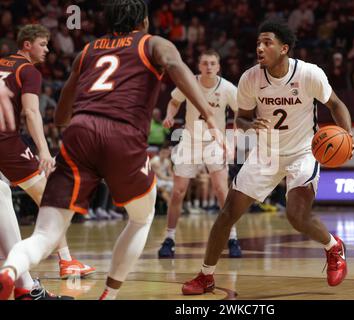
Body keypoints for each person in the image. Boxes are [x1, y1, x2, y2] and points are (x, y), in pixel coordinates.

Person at [0, 0, 221, 301]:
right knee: (141, 218)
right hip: (122, 134)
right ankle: (109, 296)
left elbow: (62, 114)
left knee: (43, 235)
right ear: (143, 21)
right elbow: (175, 65)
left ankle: (11, 270)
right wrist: (208, 113)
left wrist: (69, 121)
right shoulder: (152, 43)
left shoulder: (87, 51)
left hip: (79, 132)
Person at [182, 20, 354, 295]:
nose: (260, 48)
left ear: (284, 48)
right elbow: (241, 118)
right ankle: (206, 276)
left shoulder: (309, 74)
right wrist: (250, 127)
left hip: (303, 152)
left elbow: (335, 104)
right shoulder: (250, 78)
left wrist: (347, 134)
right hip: (265, 153)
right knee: (226, 215)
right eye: (258, 43)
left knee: (297, 217)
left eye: (267, 43)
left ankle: (334, 247)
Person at [0, 25, 95, 299]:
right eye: (43, 44)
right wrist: (43, 149)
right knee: (51, 198)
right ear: (27, 45)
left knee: (4, 195)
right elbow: (31, 112)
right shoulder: (28, 71)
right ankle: (65, 261)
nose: (47, 49)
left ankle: (27, 279)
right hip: (6, 142)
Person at [158, 49, 242, 258]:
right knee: (178, 191)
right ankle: (169, 238)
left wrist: (233, 138)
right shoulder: (189, 82)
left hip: (215, 142)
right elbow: (174, 101)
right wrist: (169, 115)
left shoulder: (228, 88)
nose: (209, 67)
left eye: (213, 63)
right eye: (205, 63)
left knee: (221, 190)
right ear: (199, 66)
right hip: (190, 140)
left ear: (218, 66)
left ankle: (232, 237)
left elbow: (241, 112)